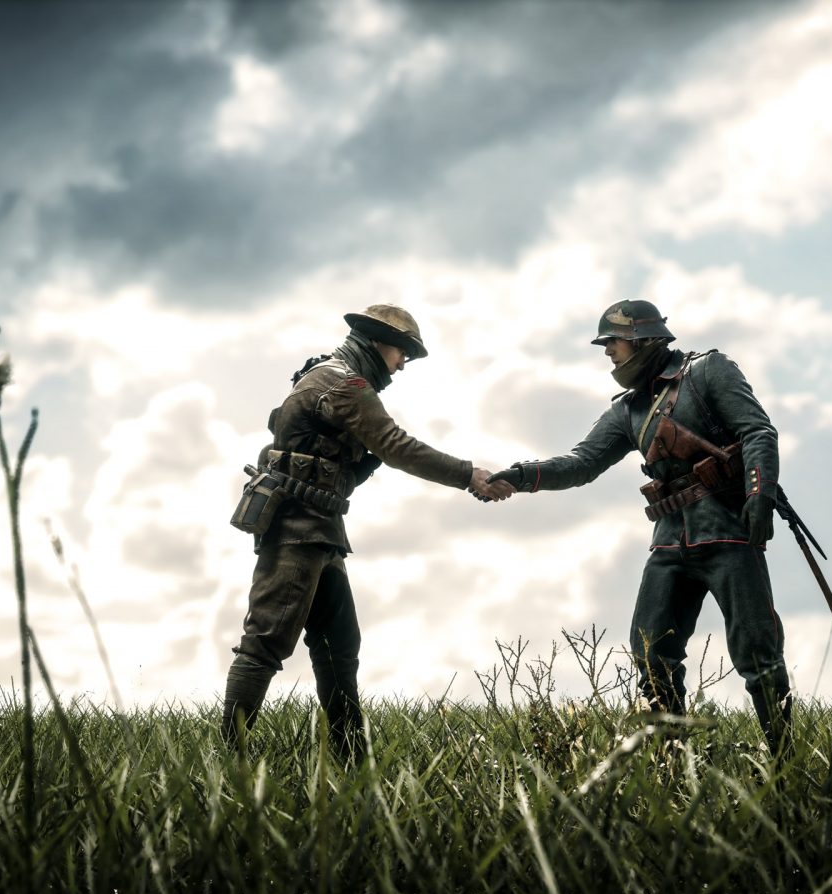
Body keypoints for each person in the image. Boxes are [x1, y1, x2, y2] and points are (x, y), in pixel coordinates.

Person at [489, 300, 792, 756]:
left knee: (758, 653)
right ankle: (673, 762)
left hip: (727, 531)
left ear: (644, 339)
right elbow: (581, 464)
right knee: (650, 652)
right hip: (670, 541)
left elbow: (757, 433)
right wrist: (519, 474)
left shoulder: (709, 371)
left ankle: (785, 759)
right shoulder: (630, 410)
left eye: (613, 342)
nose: (608, 352)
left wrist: (759, 494)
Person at [222, 304, 513, 756]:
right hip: (299, 530)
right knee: (266, 641)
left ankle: (352, 759)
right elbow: (396, 445)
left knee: (340, 648)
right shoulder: (343, 383)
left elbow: (361, 456)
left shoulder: (332, 379)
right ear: (379, 343)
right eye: (403, 353)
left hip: (321, 530)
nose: (404, 364)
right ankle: (230, 757)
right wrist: (467, 474)